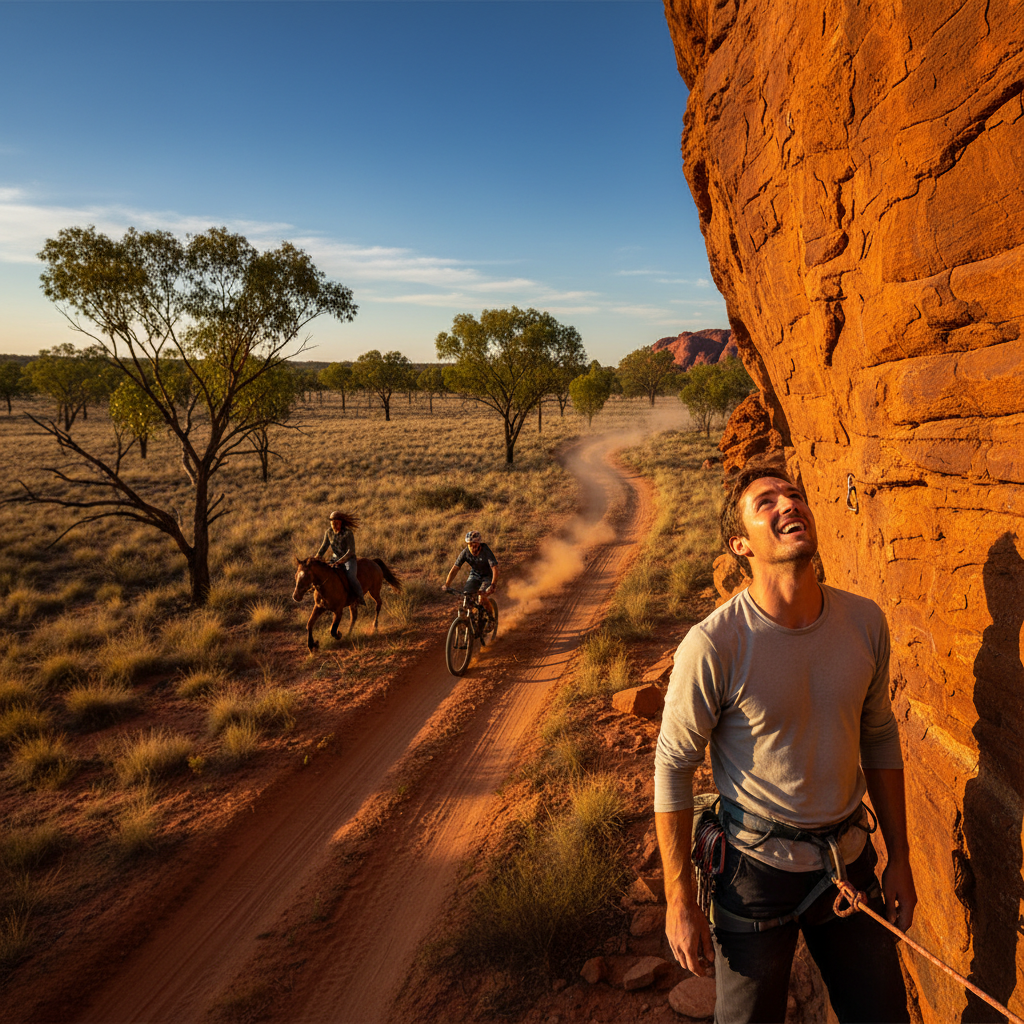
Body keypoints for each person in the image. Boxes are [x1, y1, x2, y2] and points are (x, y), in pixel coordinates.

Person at [654, 464, 916, 1023]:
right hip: (753, 878)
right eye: (766, 502)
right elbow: (674, 766)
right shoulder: (715, 644)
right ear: (741, 544)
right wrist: (678, 898)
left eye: (794, 495)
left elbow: (880, 735)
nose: (787, 505)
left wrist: (902, 857)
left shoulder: (864, 621)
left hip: (849, 866)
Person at [442, 530, 498, 623]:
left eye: (475, 545)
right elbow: (455, 568)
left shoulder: (486, 551)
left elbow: (495, 568)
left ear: (479, 544)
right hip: (474, 575)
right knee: (466, 596)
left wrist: (493, 584)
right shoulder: (465, 552)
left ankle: (491, 619)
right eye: (470, 545)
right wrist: (447, 584)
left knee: (482, 597)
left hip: (487, 576)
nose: (472, 547)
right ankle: (471, 622)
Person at [315, 510, 366, 606]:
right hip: (335, 558)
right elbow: (323, 548)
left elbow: (351, 551)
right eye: (332, 523)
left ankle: (360, 597)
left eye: (336, 523)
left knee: (351, 577)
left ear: (341, 522)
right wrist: (316, 558)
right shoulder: (328, 532)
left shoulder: (348, 533)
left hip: (348, 559)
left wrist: (340, 561)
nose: (334, 525)